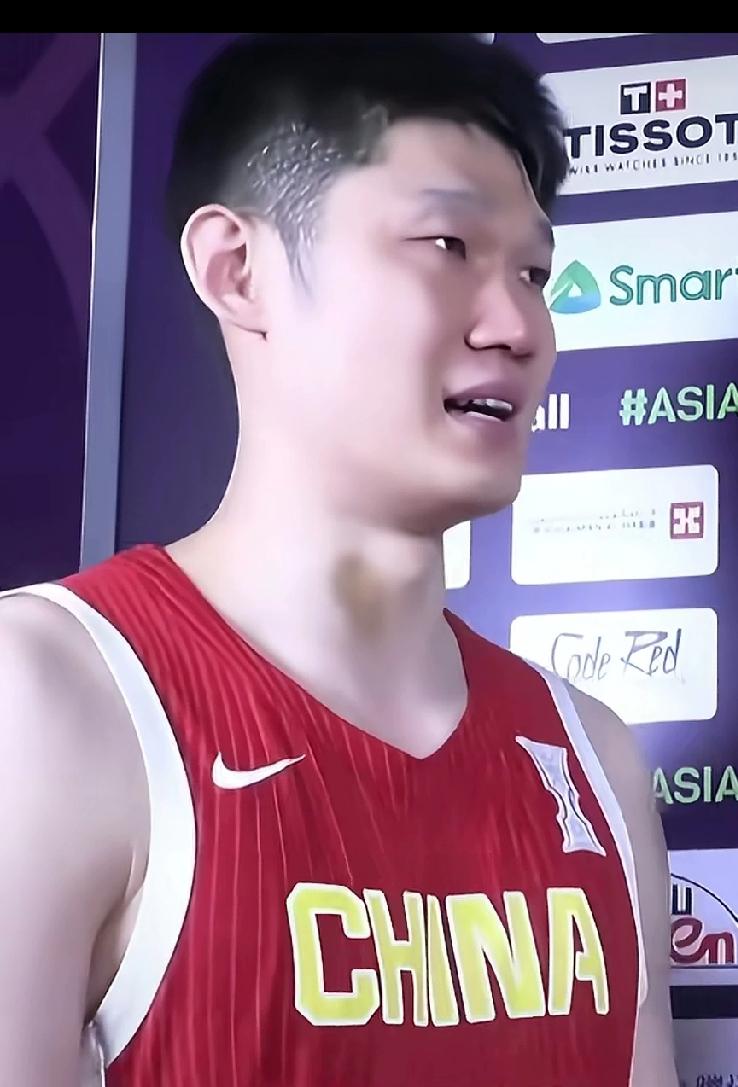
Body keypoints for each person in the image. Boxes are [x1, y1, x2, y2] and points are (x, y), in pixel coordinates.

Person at [0, 32, 677, 1087]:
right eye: (448, 245)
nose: (519, 325)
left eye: (535, 272)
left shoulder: (593, 760)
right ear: (239, 270)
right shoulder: (46, 695)